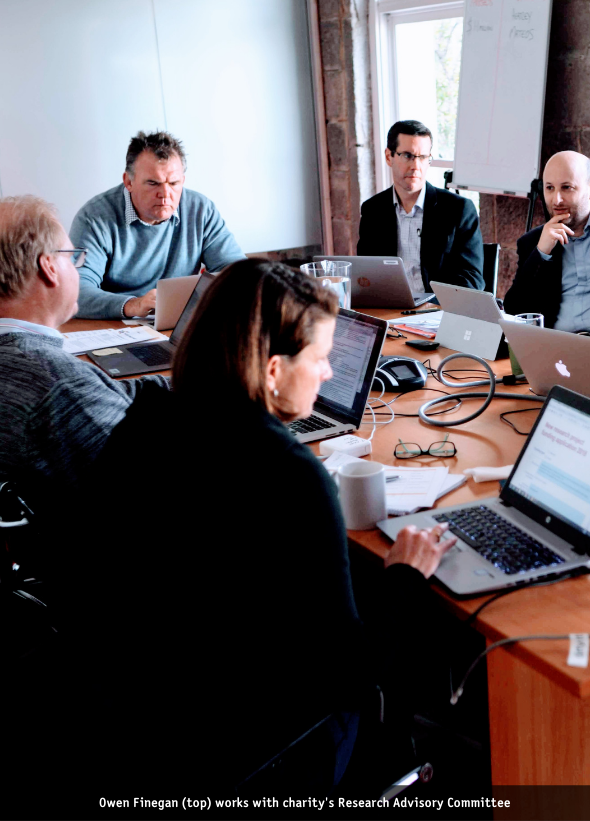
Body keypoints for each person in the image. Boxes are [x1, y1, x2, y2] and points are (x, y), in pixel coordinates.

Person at [49, 259, 456, 805]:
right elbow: (349, 675)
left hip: (121, 723)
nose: (330, 374)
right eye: (320, 358)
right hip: (248, 756)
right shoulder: (287, 474)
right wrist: (405, 573)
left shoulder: (145, 422)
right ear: (271, 371)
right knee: (416, 631)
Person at [0, 195, 169, 493]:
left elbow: (105, 392)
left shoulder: (27, 362)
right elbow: (156, 480)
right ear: (49, 266)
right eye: (71, 257)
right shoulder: (57, 386)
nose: (77, 267)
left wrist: (207, 383)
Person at [70, 130, 244, 319]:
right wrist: (132, 305)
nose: (165, 194)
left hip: (179, 323)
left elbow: (237, 272)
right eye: (153, 183)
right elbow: (75, 291)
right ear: (129, 181)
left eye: (174, 183)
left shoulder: (201, 210)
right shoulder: (94, 217)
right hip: (116, 325)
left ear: (183, 181)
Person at [504, 151, 590, 353]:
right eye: (549, 188)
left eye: (567, 188)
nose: (556, 199)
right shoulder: (533, 242)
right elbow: (515, 310)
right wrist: (541, 252)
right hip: (557, 351)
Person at [357, 120, 484, 292]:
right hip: (391, 309)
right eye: (407, 156)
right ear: (389, 157)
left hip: (438, 311)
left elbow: (472, 280)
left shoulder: (458, 210)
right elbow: (366, 276)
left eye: (423, 157)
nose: (416, 166)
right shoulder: (373, 210)